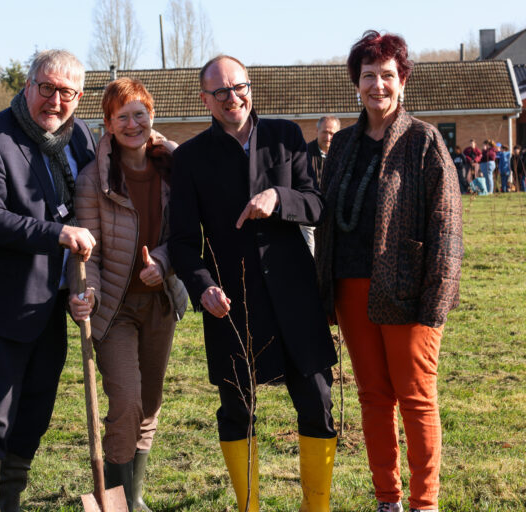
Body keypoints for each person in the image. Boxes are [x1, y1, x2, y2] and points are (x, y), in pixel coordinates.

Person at [169, 55, 338, 512]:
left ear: (251, 86)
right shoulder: (189, 159)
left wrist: (278, 198)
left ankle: (316, 506)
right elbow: (182, 242)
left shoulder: (286, 137)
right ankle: (249, 506)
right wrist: (202, 286)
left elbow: (317, 205)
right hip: (231, 302)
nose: (232, 98)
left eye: (238, 87)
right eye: (219, 92)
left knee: (318, 399)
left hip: (295, 295)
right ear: (205, 100)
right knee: (237, 410)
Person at [315, 30, 463, 512]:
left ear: (402, 82)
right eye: (367, 76)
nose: (377, 85)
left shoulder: (424, 140)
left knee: (416, 398)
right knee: (373, 398)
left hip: (408, 291)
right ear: (355, 83)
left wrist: (436, 300)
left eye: (386, 75)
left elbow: (447, 226)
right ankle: (388, 500)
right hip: (351, 289)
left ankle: (424, 502)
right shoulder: (342, 146)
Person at [0, 49, 97, 511]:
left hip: (52, 302)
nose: (56, 101)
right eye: (47, 89)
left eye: (67, 92)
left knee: (35, 409)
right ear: (29, 86)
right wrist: (59, 233)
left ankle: (9, 497)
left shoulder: (80, 138)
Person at [67, 77, 188, 511]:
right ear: (108, 124)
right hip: (114, 307)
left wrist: (164, 261)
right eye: (123, 117)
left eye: (140, 114)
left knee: (150, 403)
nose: (134, 124)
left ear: (151, 115)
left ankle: (133, 498)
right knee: (127, 403)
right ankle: (114, 502)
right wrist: (88, 295)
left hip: (159, 302)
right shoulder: (92, 181)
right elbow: (89, 253)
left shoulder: (175, 167)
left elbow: (187, 236)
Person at [303, 116, 341, 253]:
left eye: (332, 133)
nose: (328, 137)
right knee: (311, 252)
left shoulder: (343, 155)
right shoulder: (304, 154)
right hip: (310, 214)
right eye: (325, 132)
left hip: (334, 214)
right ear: (317, 130)